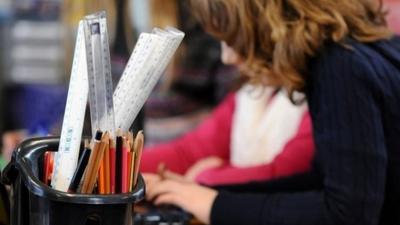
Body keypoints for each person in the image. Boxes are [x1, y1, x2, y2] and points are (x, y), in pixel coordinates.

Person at [145, 0, 400, 225]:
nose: (227, 57)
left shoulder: (341, 68)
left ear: (269, 23)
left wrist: (214, 204)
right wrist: (210, 193)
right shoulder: (359, 52)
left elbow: (346, 214)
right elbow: (321, 182)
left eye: (232, 39)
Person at [141, 41, 314, 186]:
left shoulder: (320, 94)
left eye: (234, 36)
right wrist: (119, 165)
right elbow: (188, 153)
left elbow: (285, 172)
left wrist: (205, 177)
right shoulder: (252, 91)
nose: (226, 58)